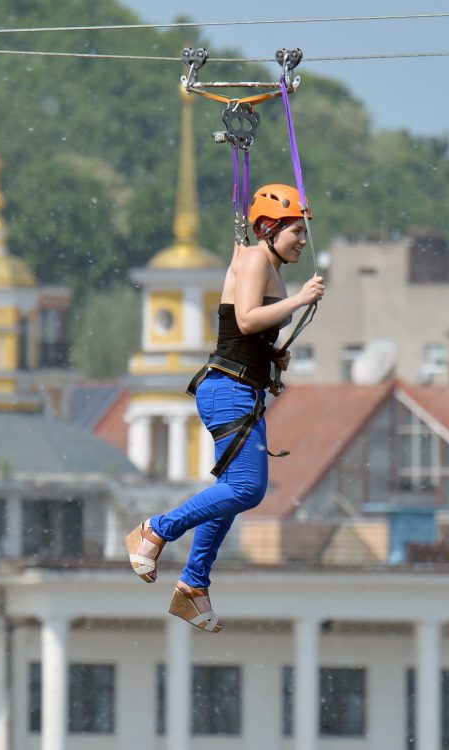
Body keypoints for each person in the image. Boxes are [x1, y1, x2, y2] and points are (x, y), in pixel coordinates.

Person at [125, 184, 325, 633]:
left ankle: (193, 586)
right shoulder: (255, 260)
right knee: (249, 489)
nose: (302, 241)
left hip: (243, 390)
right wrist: (300, 301)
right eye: (296, 231)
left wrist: (273, 357)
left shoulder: (270, 265)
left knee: (233, 495)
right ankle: (156, 530)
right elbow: (247, 319)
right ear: (270, 228)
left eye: (304, 232)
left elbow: (250, 334)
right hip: (227, 389)